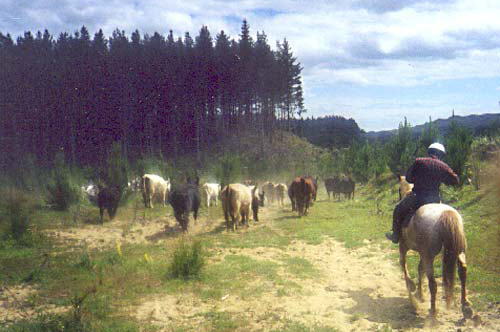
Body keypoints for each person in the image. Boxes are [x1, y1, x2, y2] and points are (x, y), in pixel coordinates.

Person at [385, 143, 460, 243]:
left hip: (417, 197)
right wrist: (443, 179)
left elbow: (408, 178)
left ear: (429, 152)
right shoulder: (444, 166)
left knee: (398, 209)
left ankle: (395, 235)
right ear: (441, 155)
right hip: (435, 199)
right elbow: (456, 180)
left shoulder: (419, 161)